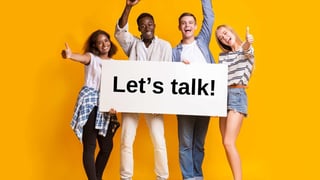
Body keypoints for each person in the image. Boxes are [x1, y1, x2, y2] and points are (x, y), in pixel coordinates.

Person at [114, 0, 172, 180]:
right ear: (138, 29)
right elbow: (121, 31)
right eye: (142, 25)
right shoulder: (134, 44)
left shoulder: (165, 46)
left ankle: (162, 177)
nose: (146, 27)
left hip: (154, 101)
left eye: (149, 24)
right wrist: (129, 6)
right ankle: (126, 177)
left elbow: (168, 75)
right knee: (126, 141)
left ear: (154, 25)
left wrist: (161, 102)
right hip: (132, 99)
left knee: (159, 141)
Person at [61, 29, 120, 180]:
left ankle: (97, 177)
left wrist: (114, 105)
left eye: (106, 40)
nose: (104, 44)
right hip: (90, 103)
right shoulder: (92, 58)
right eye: (100, 42)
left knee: (107, 147)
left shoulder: (115, 64)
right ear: (95, 45)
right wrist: (70, 55)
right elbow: (82, 58)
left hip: (106, 105)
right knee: (90, 146)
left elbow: (117, 87)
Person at [172, 0, 215, 179]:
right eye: (184, 23)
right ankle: (188, 177)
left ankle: (197, 175)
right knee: (185, 144)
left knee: (199, 143)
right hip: (185, 103)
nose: (187, 25)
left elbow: (210, 17)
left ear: (196, 26)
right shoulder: (175, 52)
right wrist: (180, 68)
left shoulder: (202, 42)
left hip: (205, 101)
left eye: (190, 22)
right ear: (179, 27)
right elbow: (170, 78)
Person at [215, 25, 254, 180]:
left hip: (237, 95)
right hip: (222, 97)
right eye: (220, 37)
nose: (224, 37)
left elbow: (246, 49)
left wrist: (248, 42)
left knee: (228, 142)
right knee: (226, 145)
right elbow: (215, 76)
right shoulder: (222, 56)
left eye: (225, 33)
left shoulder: (245, 51)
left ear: (232, 31)